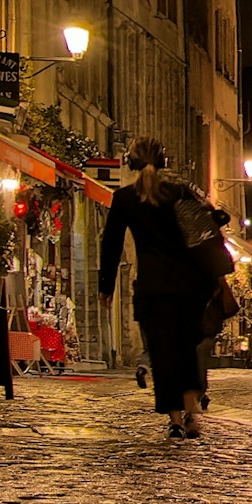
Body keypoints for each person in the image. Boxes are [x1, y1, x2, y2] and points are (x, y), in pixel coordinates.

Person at [96, 140, 232, 439]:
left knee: (163, 353)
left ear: (130, 163)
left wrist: (105, 286)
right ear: (164, 161)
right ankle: (192, 412)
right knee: (187, 349)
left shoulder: (125, 199)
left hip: (153, 287)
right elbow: (213, 223)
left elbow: (111, 244)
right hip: (190, 285)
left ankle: (173, 420)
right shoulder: (180, 192)